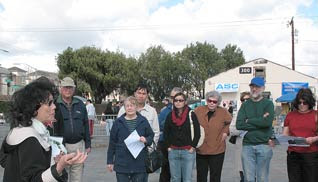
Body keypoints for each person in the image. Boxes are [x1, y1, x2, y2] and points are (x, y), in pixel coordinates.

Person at [0, 78, 87, 182]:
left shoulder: (29, 132)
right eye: (49, 103)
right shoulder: (29, 139)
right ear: (34, 107)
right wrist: (59, 166)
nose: (54, 107)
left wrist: (55, 162)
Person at [107, 96, 154, 182]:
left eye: (132, 105)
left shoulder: (143, 121)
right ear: (124, 108)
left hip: (139, 163)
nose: (129, 108)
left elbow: (151, 135)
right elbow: (112, 142)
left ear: (136, 107)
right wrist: (110, 161)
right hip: (122, 163)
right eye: (127, 106)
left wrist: (146, 140)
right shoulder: (118, 122)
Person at [236, 77, 274, 182]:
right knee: (248, 178)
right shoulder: (245, 105)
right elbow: (239, 125)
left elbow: (267, 122)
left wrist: (249, 120)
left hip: (264, 145)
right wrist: (260, 121)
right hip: (247, 146)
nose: (254, 89)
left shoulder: (268, 104)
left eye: (257, 87)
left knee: (262, 178)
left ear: (263, 88)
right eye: (252, 86)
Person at [53, 77, 91, 182]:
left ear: (74, 89)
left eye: (70, 88)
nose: (68, 90)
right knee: (61, 176)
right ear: (61, 88)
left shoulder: (80, 104)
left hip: (79, 145)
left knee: (77, 177)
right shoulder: (55, 105)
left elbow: (86, 124)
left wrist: (88, 143)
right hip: (61, 147)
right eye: (65, 87)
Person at [194, 91, 232, 182]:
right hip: (201, 149)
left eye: (214, 102)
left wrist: (225, 132)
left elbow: (230, 123)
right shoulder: (198, 110)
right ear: (206, 101)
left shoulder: (223, 112)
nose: (211, 103)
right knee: (201, 176)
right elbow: (191, 123)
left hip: (217, 149)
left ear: (218, 103)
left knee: (215, 176)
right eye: (209, 100)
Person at [283, 88, 318, 182]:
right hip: (293, 155)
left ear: (310, 102)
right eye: (299, 102)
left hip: (311, 155)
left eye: (305, 103)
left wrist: (314, 139)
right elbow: (285, 135)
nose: (302, 105)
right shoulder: (290, 115)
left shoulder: (315, 115)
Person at [164, 92, 201, 182]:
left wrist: (193, 147)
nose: (178, 102)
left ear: (185, 102)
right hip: (173, 151)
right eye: (176, 100)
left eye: (181, 100)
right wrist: (168, 146)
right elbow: (166, 132)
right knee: (175, 179)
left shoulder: (191, 114)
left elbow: (197, 133)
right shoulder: (170, 115)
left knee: (187, 179)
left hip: (187, 151)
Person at [157, 87, 183, 182]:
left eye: (176, 97)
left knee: (180, 172)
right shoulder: (165, 111)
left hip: (181, 146)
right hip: (165, 144)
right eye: (172, 97)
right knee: (165, 171)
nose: (174, 100)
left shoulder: (187, 111)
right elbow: (159, 125)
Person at [229, 92, 250, 182]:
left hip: (255, 147)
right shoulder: (238, 113)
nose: (245, 101)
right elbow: (231, 130)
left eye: (248, 99)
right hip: (241, 146)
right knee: (243, 176)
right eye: (243, 100)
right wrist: (244, 128)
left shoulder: (258, 113)